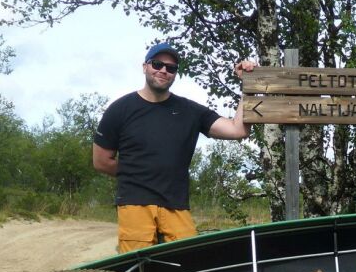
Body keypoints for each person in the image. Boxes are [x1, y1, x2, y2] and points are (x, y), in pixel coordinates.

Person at [93, 41, 255, 251]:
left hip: (176, 205)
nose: (163, 71)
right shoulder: (120, 109)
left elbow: (237, 130)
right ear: (145, 66)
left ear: (175, 74)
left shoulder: (189, 111)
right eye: (157, 64)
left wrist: (249, 85)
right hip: (135, 203)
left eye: (171, 68)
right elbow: (101, 161)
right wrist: (137, 175)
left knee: (187, 264)